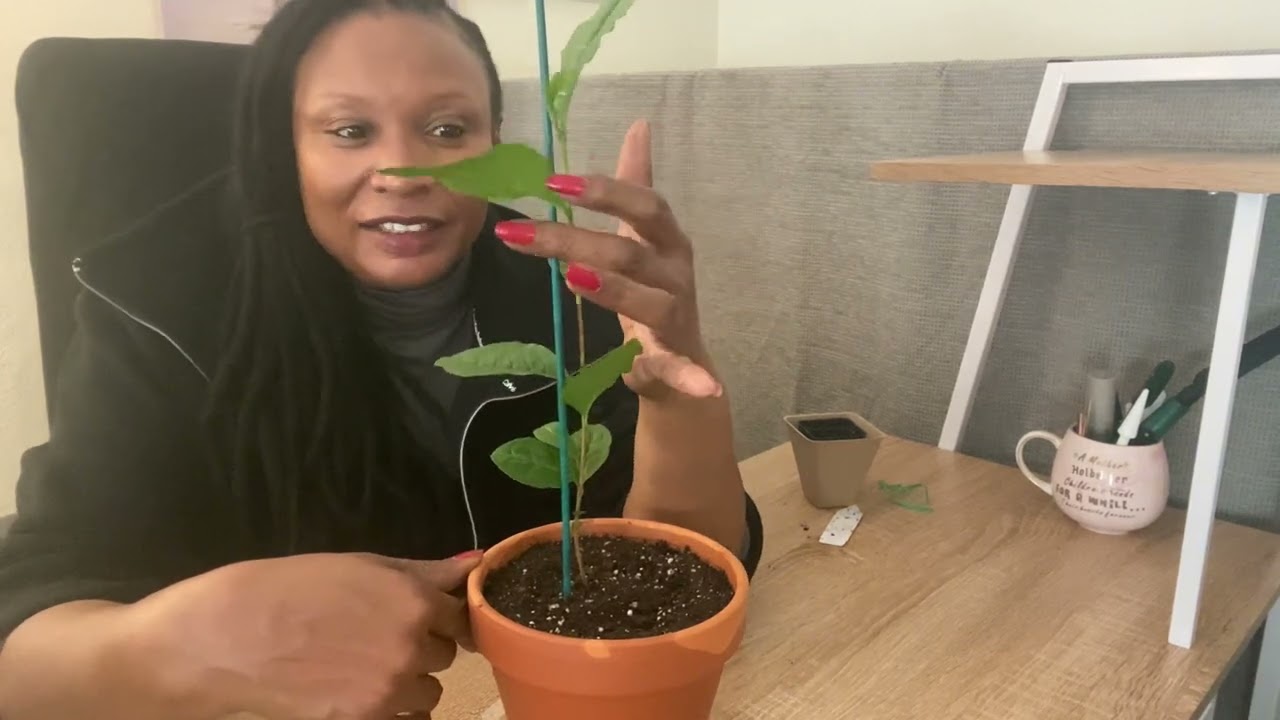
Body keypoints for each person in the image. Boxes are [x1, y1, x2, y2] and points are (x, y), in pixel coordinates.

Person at [0, 0, 763, 718]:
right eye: (349, 132)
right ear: (283, 147)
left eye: (446, 129)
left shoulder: (564, 289)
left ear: (494, 140)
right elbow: (23, 644)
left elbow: (683, 569)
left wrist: (679, 389)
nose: (404, 172)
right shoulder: (158, 307)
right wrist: (185, 645)